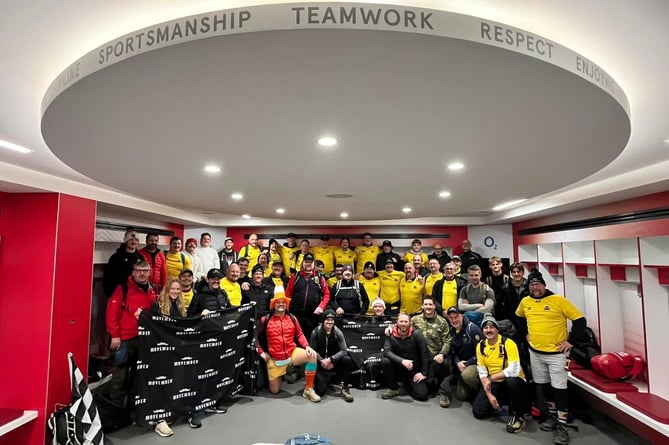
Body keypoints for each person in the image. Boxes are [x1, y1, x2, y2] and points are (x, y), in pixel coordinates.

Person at [516, 269, 586, 445]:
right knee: (544, 386)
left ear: (544, 285)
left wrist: (572, 342)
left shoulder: (557, 300)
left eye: (537, 284)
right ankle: (553, 417)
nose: (535, 287)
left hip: (557, 355)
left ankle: (562, 425)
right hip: (536, 352)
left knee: (559, 389)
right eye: (531, 285)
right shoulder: (525, 302)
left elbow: (579, 320)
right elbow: (519, 318)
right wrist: (525, 334)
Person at [150, 278, 204, 433]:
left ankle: (177, 411)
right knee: (163, 383)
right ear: (167, 290)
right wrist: (141, 315)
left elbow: (185, 325)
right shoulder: (157, 305)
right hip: (162, 352)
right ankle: (160, 419)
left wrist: (202, 314)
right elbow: (151, 325)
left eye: (177, 289)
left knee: (178, 381)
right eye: (172, 289)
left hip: (177, 350)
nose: (175, 292)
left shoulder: (180, 306)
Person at [256, 286, 321, 402]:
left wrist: (307, 346)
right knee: (275, 391)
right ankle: (287, 375)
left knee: (312, 356)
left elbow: (300, 334)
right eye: (278, 302)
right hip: (275, 359)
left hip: (292, 354)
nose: (281, 304)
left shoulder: (292, 318)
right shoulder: (265, 319)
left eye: (283, 302)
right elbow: (254, 336)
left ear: (286, 304)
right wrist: (261, 352)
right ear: (273, 305)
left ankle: (309, 389)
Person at [105, 261, 157, 400]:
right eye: (139, 270)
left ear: (149, 272)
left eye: (145, 270)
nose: (142, 273)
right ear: (133, 272)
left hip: (144, 337)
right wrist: (115, 336)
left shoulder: (152, 288)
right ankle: (115, 399)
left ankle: (133, 398)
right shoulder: (122, 289)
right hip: (125, 338)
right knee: (121, 369)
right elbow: (111, 314)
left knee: (138, 369)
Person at [473, 314, 527, 434]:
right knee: (479, 412)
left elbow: (514, 369)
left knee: (511, 381)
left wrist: (491, 378)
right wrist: (489, 395)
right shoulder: (481, 346)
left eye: (491, 327)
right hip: (495, 382)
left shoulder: (508, 343)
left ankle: (519, 416)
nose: (489, 330)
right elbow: (481, 370)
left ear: (497, 329)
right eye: (485, 328)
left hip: (514, 381)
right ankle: (502, 401)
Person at [411, 296, 452, 407]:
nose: (428, 307)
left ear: (434, 306)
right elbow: (402, 328)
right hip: (420, 359)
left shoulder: (442, 321)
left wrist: (442, 354)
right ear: (422, 306)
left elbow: (447, 340)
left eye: (430, 304)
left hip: (436, 357)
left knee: (446, 364)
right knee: (425, 391)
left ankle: (443, 392)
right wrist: (390, 328)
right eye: (426, 304)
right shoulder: (414, 320)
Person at [309, 309, 355, 402]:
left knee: (347, 359)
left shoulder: (338, 332)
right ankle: (315, 383)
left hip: (332, 363)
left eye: (332, 320)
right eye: (327, 320)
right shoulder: (316, 332)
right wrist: (321, 360)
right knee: (320, 392)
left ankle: (345, 389)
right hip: (320, 364)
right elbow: (311, 350)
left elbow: (344, 350)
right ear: (323, 321)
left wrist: (331, 360)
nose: (330, 322)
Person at [381, 313, 429, 401]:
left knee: (422, 396)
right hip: (398, 368)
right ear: (397, 322)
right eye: (401, 321)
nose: (403, 323)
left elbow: (424, 353)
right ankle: (393, 389)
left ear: (410, 323)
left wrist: (424, 373)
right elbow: (387, 352)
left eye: (406, 321)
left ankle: (407, 385)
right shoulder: (390, 334)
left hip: (413, 370)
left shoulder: (417, 334)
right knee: (385, 361)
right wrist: (402, 361)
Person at [285, 253, 331, 338]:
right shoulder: (295, 277)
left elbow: (327, 294)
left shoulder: (320, 277)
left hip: (313, 316)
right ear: (303, 263)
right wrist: (287, 311)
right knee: (295, 338)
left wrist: (321, 307)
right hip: (296, 315)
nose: (308, 264)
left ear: (314, 263)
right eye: (306, 261)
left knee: (311, 339)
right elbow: (288, 295)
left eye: (311, 262)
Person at [445, 306, 482, 401]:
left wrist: (467, 363)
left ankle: (482, 391)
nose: (454, 320)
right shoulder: (452, 330)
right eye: (451, 318)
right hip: (461, 364)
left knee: (467, 376)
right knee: (461, 396)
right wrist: (458, 363)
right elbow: (453, 352)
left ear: (462, 316)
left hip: (476, 363)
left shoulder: (472, 329)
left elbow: (482, 352)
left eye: (456, 317)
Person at [103, 228, 144, 297]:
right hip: (119, 294)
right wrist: (111, 295)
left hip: (135, 294)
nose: (133, 242)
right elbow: (108, 278)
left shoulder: (140, 257)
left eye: (136, 240)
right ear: (126, 241)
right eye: (131, 239)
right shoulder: (116, 257)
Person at [497, 262, 529, 331]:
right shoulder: (505, 288)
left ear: (523, 272)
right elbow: (501, 306)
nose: (516, 274)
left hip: (528, 320)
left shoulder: (529, 286)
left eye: (518, 271)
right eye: (514, 272)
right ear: (511, 273)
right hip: (511, 322)